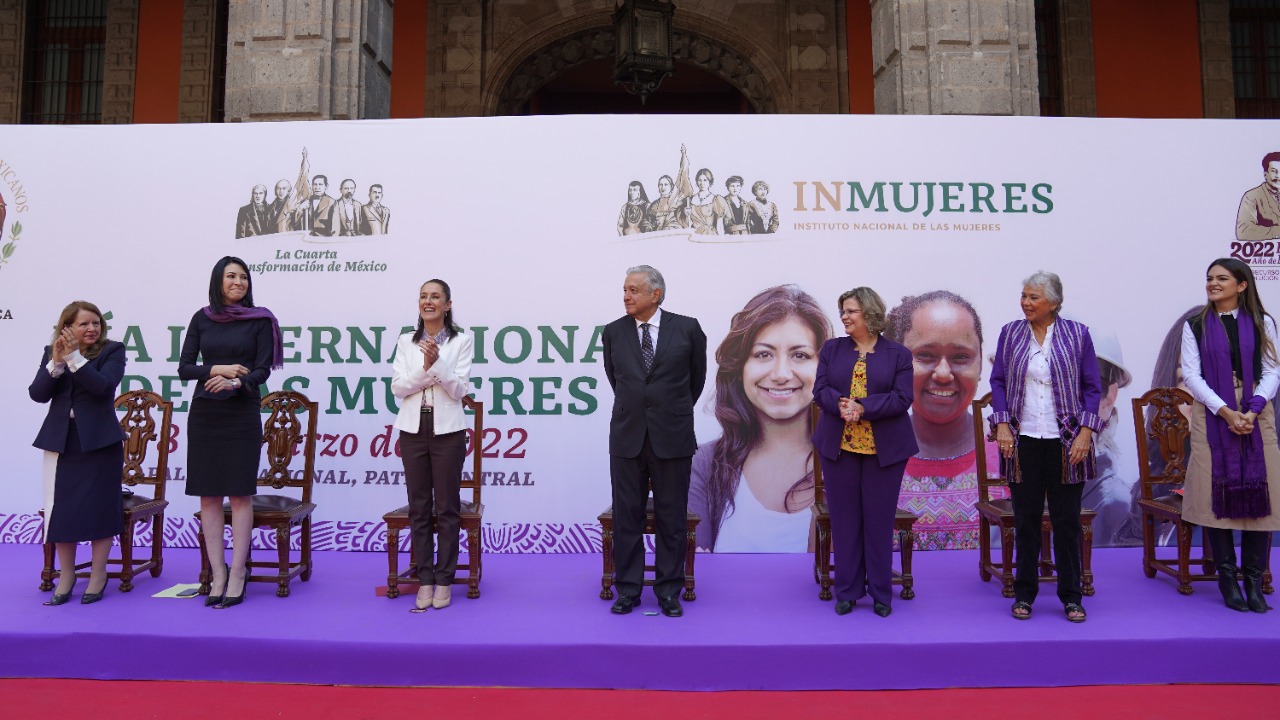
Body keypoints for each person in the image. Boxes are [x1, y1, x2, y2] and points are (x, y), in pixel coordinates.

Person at [990, 271, 1103, 623]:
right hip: (1023, 441)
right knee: (1025, 521)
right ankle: (1024, 594)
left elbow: (1092, 387)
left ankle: (1071, 596)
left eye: (1033, 297)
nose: (1025, 302)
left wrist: (1086, 432)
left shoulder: (1077, 334)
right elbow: (998, 382)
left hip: (1068, 443)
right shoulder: (1010, 333)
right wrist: (1003, 424)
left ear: (1053, 302)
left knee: (1066, 522)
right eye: (1023, 296)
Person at [689, 285, 830, 552]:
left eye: (800, 355)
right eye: (763, 354)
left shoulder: (848, 463)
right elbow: (695, 573)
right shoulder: (704, 465)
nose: (780, 374)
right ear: (739, 367)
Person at [178, 256, 284, 609]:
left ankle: (238, 573)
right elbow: (185, 368)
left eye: (243, 277)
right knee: (208, 496)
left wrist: (236, 381)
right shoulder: (201, 318)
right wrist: (218, 368)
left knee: (239, 495)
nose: (238, 282)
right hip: (206, 413)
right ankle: (217, 572)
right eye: (231, 276)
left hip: (241, 411)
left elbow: (263, 369)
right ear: (218, 281)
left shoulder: (260, 320)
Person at [602, 265, 707, 617]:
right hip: (628, 436)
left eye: (633, 290)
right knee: (626, 518)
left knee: (671, 518)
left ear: (655, 294)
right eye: (625, 289)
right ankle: (628, 590)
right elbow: (616, 379)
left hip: (672, 436)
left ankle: (668, 591)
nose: (626, 296)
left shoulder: (688, 328)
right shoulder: (614, 332)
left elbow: (696, 382)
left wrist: (668, 411)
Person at [1179, 258, 1280, 613]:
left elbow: (1272, 370)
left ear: (1242, 285)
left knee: (1261, 493)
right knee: (1213, 492)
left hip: (1255, 411)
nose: (1213, 284)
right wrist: (1224, 410)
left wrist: (1251, 409)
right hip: (1212, 411)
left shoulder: (1263, 322)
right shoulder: (1195, 325)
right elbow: (1192, 376)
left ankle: (1253, 579)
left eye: (1222, 278)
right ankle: (1226, 577)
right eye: (1209, 278)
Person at [812, 287, 916, 618]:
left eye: (851, 311)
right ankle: (847, 591)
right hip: (839, 447)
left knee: (878, 521)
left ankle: (882, 593)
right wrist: (842, 406)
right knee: (844, 521)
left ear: (869, 314)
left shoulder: (898, 354)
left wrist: (863, 407)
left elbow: (902, 398)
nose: (844, 316)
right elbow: (820, 390)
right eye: (842, 310)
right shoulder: (832, 349)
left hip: (884, 450)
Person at [29, 301, 126, 605]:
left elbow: (102, 387)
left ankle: (98, 575)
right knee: (63, 512)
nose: (92, 329)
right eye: (84, 323)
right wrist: (56, 364)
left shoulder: (112, 350)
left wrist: (74, 359)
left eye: (96, 323)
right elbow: (37, 394)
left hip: (100, 443)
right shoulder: (52, 351)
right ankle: (67, 575)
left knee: (100, 507)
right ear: (67, 327)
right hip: (62, 441)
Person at [885, 290, 995, 550]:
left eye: (960, 357)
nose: (944, 373)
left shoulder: (1017, 454)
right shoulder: (862, 456)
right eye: (924, 355)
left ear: (980, 365)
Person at [390, 279, 473, 612]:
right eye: (424, 296)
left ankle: (444, 579)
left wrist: (435, 365)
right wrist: (430, 370)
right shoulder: (405, 342)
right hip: (412, 429)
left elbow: (458, 390)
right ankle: (424, 578)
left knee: (448, 508)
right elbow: (399, 388)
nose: (429, 301)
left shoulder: (462, 341)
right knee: (419, 507)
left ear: (447, 304)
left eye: (435, 296)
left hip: (448, 431)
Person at [1235, 152, 1280, 241]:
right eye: (1274, 171)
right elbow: (1244, 231)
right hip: (1264, 253)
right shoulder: (1251, 196)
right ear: (1265, 174)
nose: (1278, 176)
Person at [687, 168, 727, 235]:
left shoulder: (716, 199)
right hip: (694, 234)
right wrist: (686, 214)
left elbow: (720, 225)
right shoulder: (690, 199)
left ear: (710, 182)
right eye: (699, 180)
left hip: (710, 235)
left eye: (705, 180)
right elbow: (688, 223)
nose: (702, 183)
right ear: (696, 181)